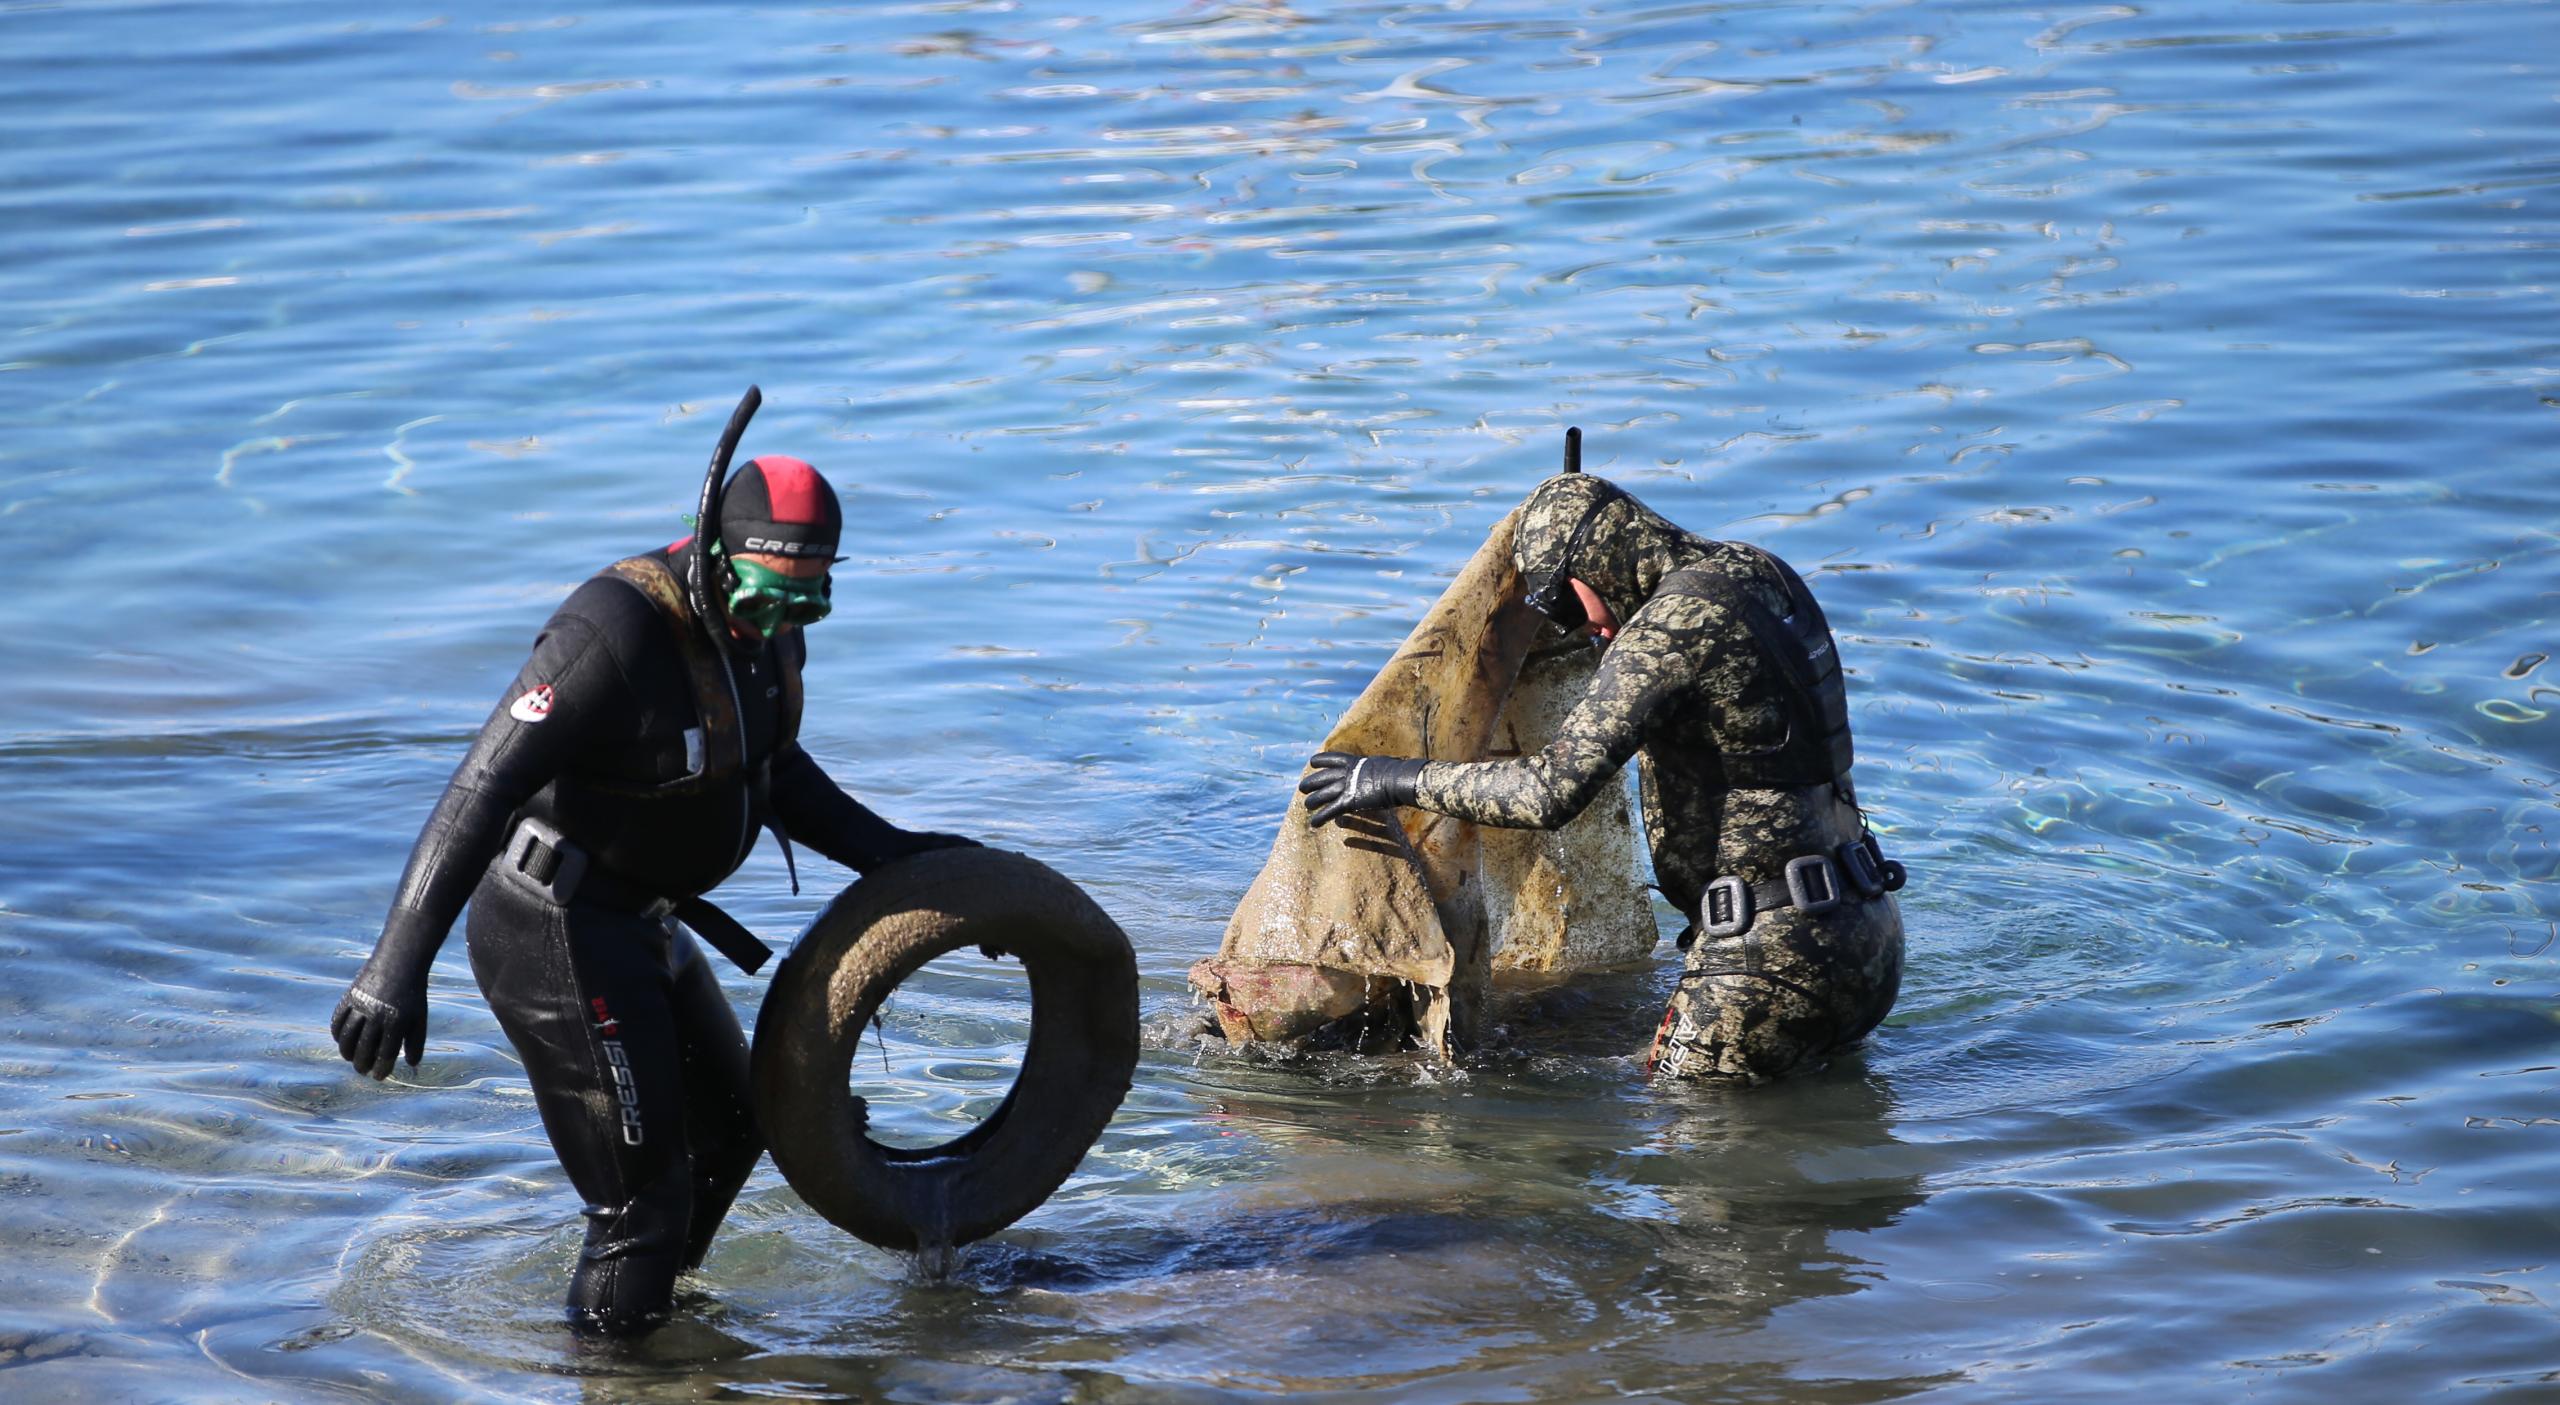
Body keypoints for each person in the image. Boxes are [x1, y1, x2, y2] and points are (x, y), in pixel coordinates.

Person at [328, 445, 975, 1336]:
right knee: (636, 1209)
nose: (780, 621)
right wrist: (393, 969)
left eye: (808, 599)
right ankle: (620, 1365)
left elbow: (769, 765)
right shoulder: (613, 632)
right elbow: (481, 788)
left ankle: (659, 1316)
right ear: (716, 552)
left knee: (734, 1126)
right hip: (555, 930)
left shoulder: (766, 631)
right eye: (768, 596)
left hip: (645, 921)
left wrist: (893, 853)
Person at [1298, 458, 1905, 1082]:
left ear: (1598, 562)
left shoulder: (1670, 625)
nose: (1584, 629)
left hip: (1762, 966)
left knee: (1692, 1152)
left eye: (1564, 601)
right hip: (1864, 934)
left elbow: (1547, 793)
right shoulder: (1759, 573)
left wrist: (1391, 778)